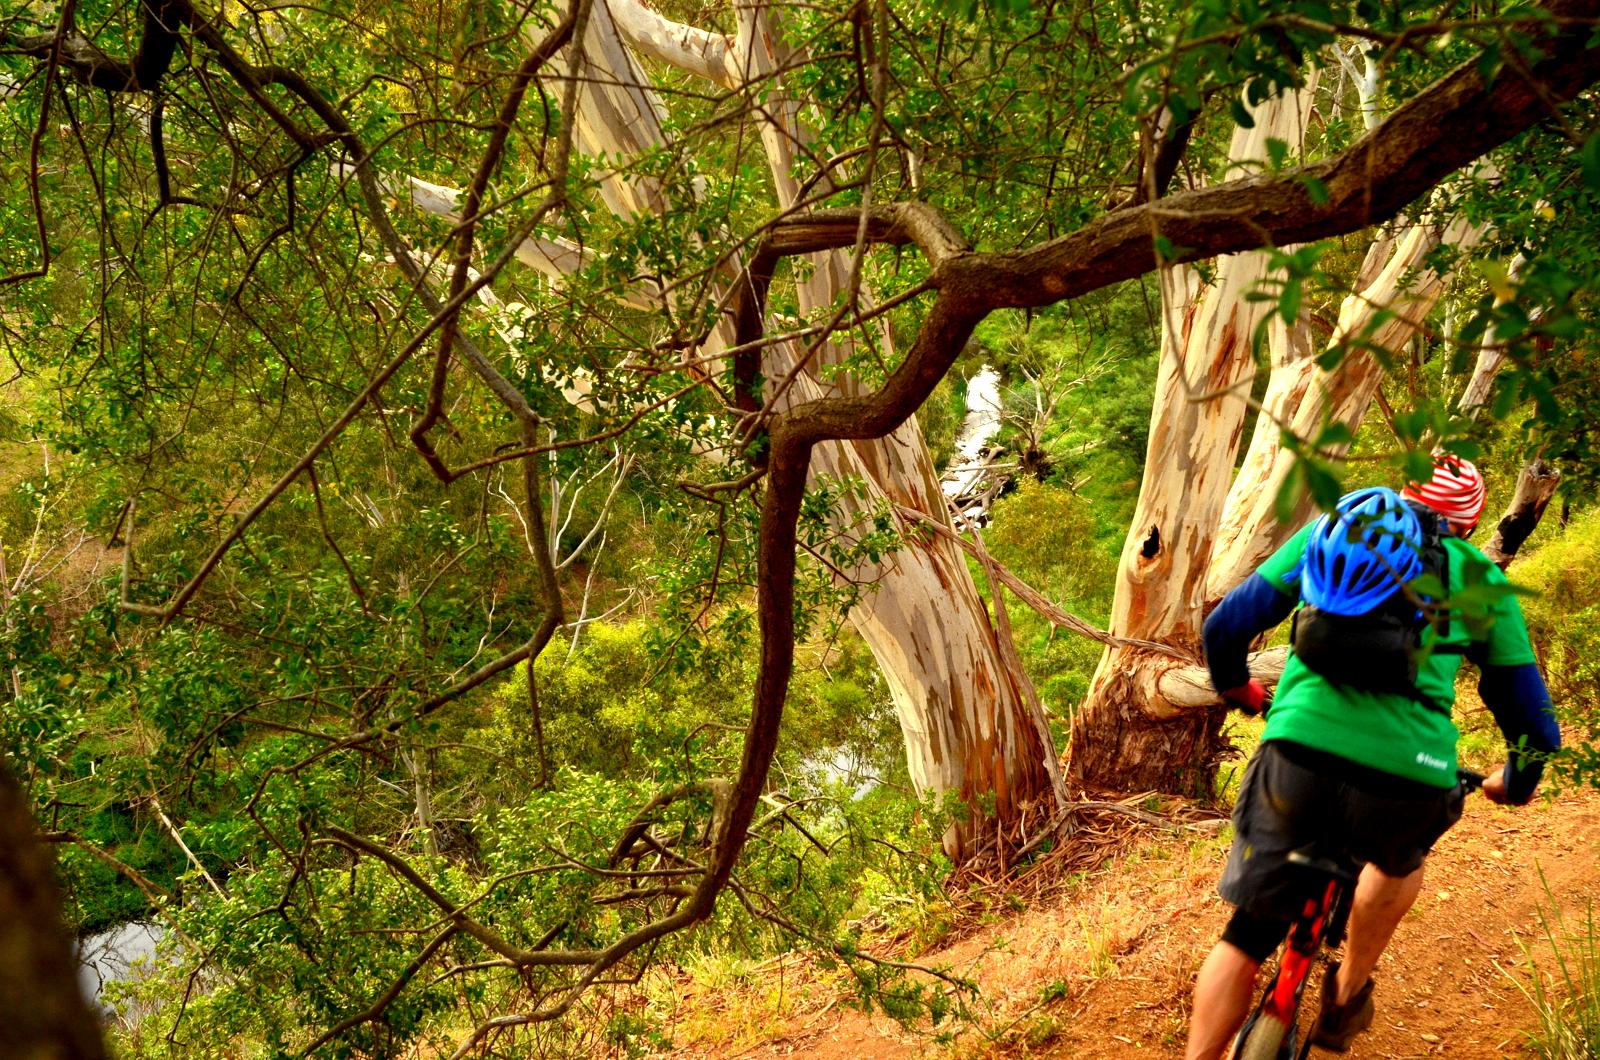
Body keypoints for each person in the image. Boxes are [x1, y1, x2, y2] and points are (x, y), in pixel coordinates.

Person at [1184, 462, 1561, 1060]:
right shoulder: (1477, 576)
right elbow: (1534, 724)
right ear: (1468, 524)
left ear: (1403, 497)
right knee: (1396, 858)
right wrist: (1512, 783)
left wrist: (1240, 690)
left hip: (1295, 763)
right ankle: (1348, 986)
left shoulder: (1336, 534)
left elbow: (1225, 625)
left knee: (1248, 934)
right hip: (1405, 778)